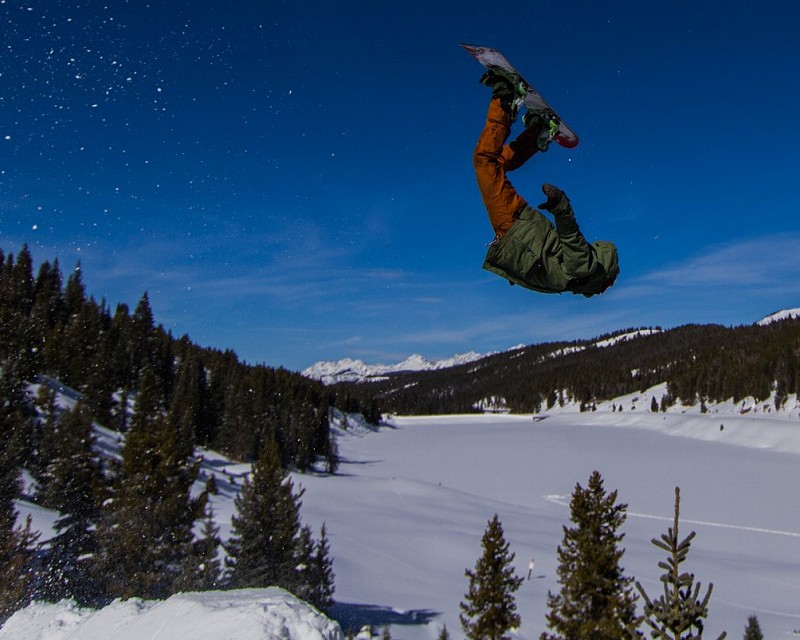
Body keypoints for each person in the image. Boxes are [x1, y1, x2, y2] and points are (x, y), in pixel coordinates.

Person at [473, 68, 619, 297]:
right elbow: (571, 238)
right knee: (485, 161)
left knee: (495, 164)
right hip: (516, 227)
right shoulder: (586, 270)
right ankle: (507, 98)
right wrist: (561, 207)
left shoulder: (576, 279)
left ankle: (539, 130)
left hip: (520, 231)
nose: (606, 289)